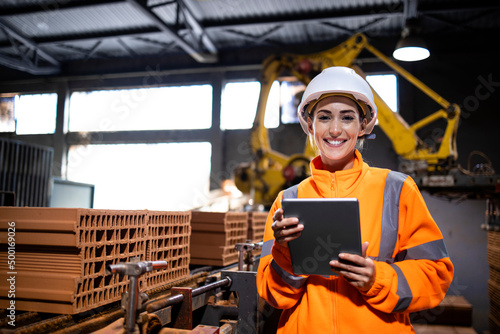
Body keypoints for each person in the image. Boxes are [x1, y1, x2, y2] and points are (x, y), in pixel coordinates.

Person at [256, 66, 454, 333]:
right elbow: (274, 296)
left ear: (362, 126)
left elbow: (436, 276)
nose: (335, 129)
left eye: (347, 118)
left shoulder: (397, 190)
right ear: (310, 126)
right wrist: (284, 253)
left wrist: (377, 279)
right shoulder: (288, 200)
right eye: (324, 117)